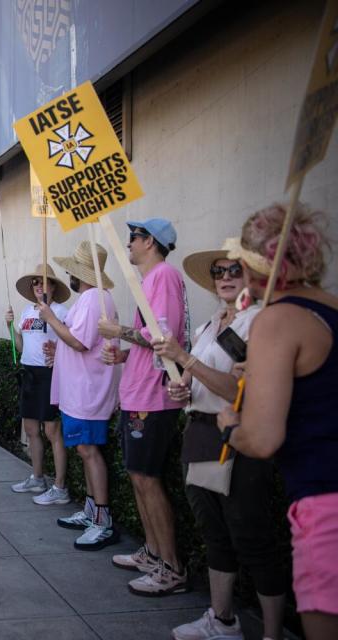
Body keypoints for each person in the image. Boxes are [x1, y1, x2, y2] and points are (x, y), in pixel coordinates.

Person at [152, 238, 286, 640]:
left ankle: (273, 633)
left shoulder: (260, 322)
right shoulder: (212, 324)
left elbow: (238, 390)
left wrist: (185, 359)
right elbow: (196, 383)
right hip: (201, 434)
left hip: (240, 437)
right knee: (215, 534)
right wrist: (183, 388)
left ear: (251, 277)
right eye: (219, 271)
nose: (226, 278)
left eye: (235, 270)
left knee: (253, 538)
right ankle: (222, 619)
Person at [216, 204, 337, 640]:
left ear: (252, 265)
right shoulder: (329, 309)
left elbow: (263, 439)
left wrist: (230, 424)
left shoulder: (277, 319)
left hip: (325, 503)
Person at [98, 217, 190, 596]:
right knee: (138, 477)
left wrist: (119, 332)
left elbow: (163, 336)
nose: (129, 244)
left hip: (154, 399)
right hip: (139, 394)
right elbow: (150, 341)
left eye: (133, 238)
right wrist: (123, 357)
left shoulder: (164, 275)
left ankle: (172, 567)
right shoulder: (150, 281)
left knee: (148, 479)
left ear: (150, 241)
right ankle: (154, 554)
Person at [40, 241, 121, 550]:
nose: (68, 276)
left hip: (87, 392)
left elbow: (80, 342)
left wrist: (51, 319)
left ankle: (102, 520)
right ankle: (91, 510)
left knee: (89, 451)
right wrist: (56, 347)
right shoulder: (90, 298)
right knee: (84, 451)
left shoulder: (93, 297)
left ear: (80, 274)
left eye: (70, 271)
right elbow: (75, 341)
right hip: (78, 391)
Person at [5, 265, 71, 506]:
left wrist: (59, 353)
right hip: (29, 373)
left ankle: (60, 487)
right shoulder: (26, 311)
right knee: (31, 430)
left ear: (53, 286)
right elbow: (21, 347)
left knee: (53, 432)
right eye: (35, 283)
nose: (39, 287)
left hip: (51, 374)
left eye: (44, 282)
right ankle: (37, 477)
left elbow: (72, 342)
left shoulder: (61, 311)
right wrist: (10, 326)